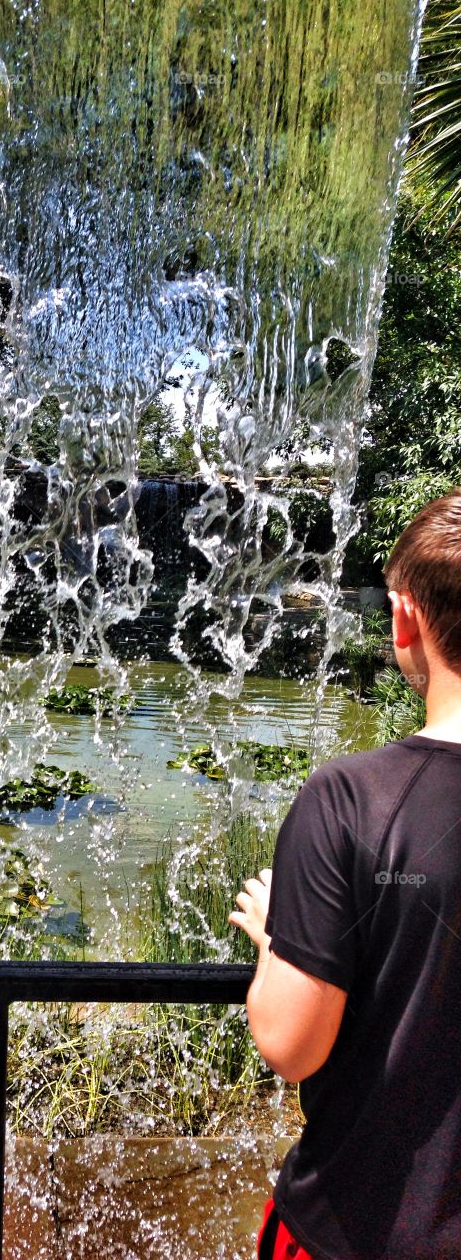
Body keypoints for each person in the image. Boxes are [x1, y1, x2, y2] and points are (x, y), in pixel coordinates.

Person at [229, 490, 461, 1260]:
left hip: (357, 1230)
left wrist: (278, 942)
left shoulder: (353, 800)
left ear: (406, 619)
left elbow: (293, 1043)